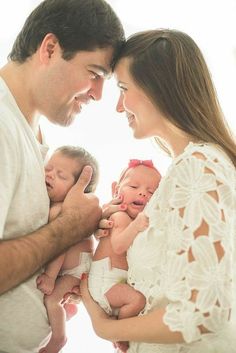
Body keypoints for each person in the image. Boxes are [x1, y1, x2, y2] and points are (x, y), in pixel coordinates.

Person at [80, 29, 236, 353]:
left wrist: (106, 326)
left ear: (159, 89)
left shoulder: (199, 166)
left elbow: (203, 312)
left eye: (123, 89)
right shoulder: (182, 171)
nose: (119, 107)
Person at [0, 0, 124, 351]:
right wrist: (70, 227)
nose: (99, 95)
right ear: (50, 49)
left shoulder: (32, 133)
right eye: (95, 74)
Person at [88, 159, 161, 351]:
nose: (143, 193)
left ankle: (119, 326)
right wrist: (136, 226)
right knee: (137, 301)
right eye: (134, 186)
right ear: (115, 190)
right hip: (106, 281)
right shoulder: (119, 217)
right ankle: (120, 335)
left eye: (152, 192)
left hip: (114, 282)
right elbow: (119, 246)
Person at [36, 145, 99, 353]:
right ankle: (68, 311)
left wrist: (51, 277)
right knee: (60, 302)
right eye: (48, 168)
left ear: (77, 189)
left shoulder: (61, 211)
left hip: (75, 271)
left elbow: (60, 246)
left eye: (61, 175)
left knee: (52, 299)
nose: (50, 175)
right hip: (74, 269)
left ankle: (58, 340)